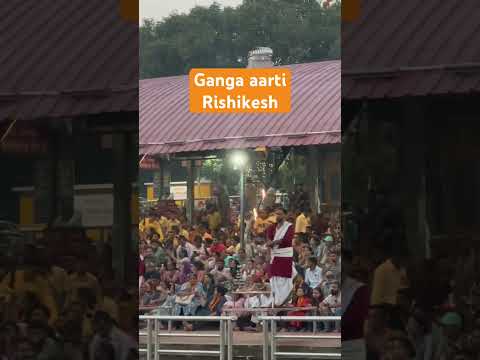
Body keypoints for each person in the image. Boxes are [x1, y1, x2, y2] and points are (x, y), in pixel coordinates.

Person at [266, 208, 296, 306]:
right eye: (276, 214)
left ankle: (285, 300)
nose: (278, 216)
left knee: (284, 277)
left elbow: (287, 240)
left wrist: (273, 242)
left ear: (285, 215)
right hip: (274, 255)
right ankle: (276, 300)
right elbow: (268, 239)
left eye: (280, 214)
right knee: (274, 277)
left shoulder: (289, 226)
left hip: (285, 255)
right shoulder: (271, 227)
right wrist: (269, 247)